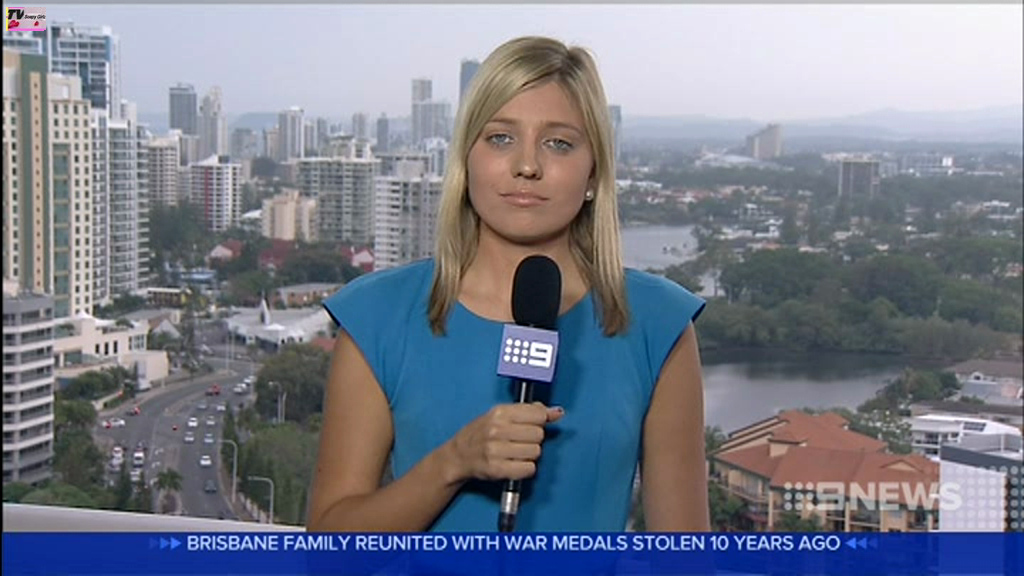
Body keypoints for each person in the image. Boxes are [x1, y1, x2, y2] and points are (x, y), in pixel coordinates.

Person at [308, 36, 709, 533]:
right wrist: (454, 462)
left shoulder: (657, 324)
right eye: (500, 138)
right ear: (466, 161)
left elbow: (684, 556)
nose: (527, 165)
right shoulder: (378, 316)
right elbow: (330, 547)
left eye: (558, 143)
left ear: (593, 175)